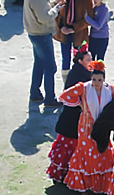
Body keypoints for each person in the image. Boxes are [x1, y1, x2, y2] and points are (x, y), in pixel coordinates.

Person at [59, 60, 114, 194]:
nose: (96, 83)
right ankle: (84, 186)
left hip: (102, 126)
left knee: (102, 150)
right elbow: (65, 95)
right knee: (86, 152)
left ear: (104, 79)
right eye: (94, 80)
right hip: (86, 126)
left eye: (99, 80)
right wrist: (80, 104)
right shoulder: (84, 87)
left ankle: (101, 186)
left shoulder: (110, 89)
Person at [46, 42, 92, 183]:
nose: (91, 62)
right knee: (70, 144)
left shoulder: (84, 72)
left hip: (79, 116)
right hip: (73, 117)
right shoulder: (77, 76)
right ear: (80, 61)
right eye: (88, 60)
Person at [23, 0, 65, 107]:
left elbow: (42, 9)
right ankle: (50, 98)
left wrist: (53, 4)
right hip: (41, 35)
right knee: (50, 67)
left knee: (39, 64)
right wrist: (56, 9)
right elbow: (44, 18)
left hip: (34, 33)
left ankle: (35, 93)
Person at [53, 0, 94, 83]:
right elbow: (55, 14)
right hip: (64, 33)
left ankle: (81, 82)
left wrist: (74, 28)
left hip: (79, 33)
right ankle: (67, 83)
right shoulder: (62, 0)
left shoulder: (86, 1)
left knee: (80, 59)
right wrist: (61, 27)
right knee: (65, 59)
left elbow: (89, 18)